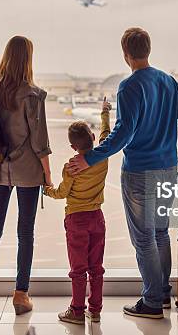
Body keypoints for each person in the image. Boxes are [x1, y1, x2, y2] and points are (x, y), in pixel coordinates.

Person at [68, 27, 178, 319]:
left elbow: (123, 134)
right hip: (167, 169)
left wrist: (91, 158)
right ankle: (162, 293)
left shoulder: (129, 86)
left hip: (140, 171)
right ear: (148, 50)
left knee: (144, 238)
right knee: (160, 232)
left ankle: (151, 302)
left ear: (126, 54)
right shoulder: (168, 82)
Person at [0, 36, 53, 316]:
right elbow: (39, 141)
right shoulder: (33, 95)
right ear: (28, 59)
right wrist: (47, 175)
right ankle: (21, 295)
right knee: (25, 233)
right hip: (27, 171)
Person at [43, 97, 112, 325]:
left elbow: (62, 192)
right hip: (97, 218)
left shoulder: (71, 166)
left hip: (76, 220)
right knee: (96, 268)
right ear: (92, 138)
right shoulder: (102, 157)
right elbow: (106, 133)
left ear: (73, 147)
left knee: (78, 269)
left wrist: (48, 190)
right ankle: (96, 309)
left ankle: (76, 310)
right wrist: (104, 112)